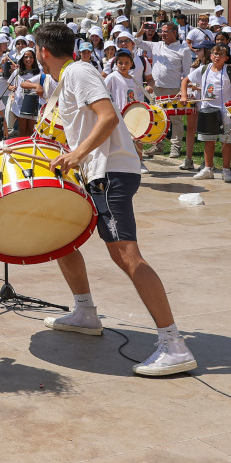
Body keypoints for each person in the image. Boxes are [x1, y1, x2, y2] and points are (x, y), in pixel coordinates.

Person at [34, 22, 197, 377]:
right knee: (63, 238)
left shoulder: (79, 71)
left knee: (126, 255)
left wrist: (77, 154)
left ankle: (174, 344)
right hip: (96, 173)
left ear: (43, 52)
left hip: (111, 174)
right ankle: (85, 312)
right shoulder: (69, 77)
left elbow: (108, 117)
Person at [134, 22, 195, 169]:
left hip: (174, 88)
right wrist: (141, 30)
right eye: (162, 31)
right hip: (157, 87)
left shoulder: (184, 50)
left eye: (166, 31)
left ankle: (175, 147)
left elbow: (187, 73)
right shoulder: (156, 45)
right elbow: (137, 42)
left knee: (175, 119)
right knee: (157, 117)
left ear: (175, 33)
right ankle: (158, 144)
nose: (163, 34)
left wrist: (184, 90)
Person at [184, 45, 231, 182]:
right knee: (208, 141)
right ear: (210, 55)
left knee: (226, 142)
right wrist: (184, 96)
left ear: (226, 58)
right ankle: (208, 168)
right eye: (215, 54)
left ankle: (226, 170)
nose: (217, 56)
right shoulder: (204, 69)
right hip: (207, 110)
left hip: (226, 111)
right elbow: (186, 80)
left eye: (221, 54)